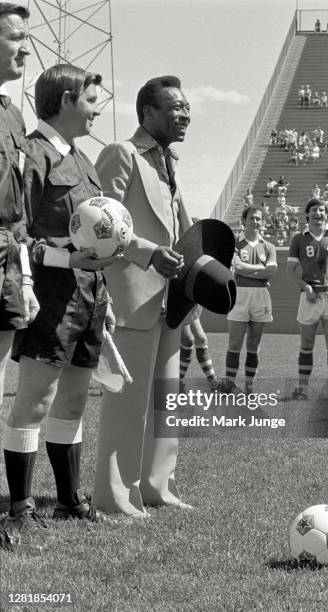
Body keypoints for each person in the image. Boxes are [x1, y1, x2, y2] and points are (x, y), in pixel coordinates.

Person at [2, 64, 117, 536]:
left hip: (90, 296)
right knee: (35, 397)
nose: (96, 110)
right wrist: (66, 261)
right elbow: (16, 236)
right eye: (91, 101)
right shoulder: (31, 155)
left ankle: (70, 500)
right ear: (67, 99)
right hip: (47, 296)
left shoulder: (85, 161)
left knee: (73, 398)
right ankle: (21, 507)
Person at [93, 75, 193, 516]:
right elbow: (99, 222)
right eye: (174, 106)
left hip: (171, 302)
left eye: (187, 106)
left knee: (165, 399)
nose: (185, 113)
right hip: (132, 297)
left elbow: (183, 233)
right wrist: (148, 254)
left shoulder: (170, 163)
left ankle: (157, 487)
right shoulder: (122, 154)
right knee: (128, 405)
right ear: (147, 113)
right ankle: (116, 497)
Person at [0, 3, 39, 404]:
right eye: (16, 38)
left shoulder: (14, 117)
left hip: (8, 253)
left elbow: (18, 211)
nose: (25, 50)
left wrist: (25, 279)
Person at [286, 198, 328, 401]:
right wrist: (305, 287)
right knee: (306, 344)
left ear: (327, 214)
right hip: (310, 297)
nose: (318, 213)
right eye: (314, 210)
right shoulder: (298, 239)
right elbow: (290, 271)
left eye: (322, 210)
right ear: (307, 214)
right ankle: (302, 390)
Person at [223, 205, 277, 394]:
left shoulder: (269, 246)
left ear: (262, 222)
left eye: (258, 219)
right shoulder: (234, 244)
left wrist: (248, 270)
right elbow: (237, 266)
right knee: (235, 344)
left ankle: (249, 386)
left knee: (254, 344)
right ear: (243, 221)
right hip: (240, 295)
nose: (255, 222)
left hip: (261, 297)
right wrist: (262, 273)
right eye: (252, 218)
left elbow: (273, 270)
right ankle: (229, 383)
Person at [179, 307, 219, 391]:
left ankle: (213, 381)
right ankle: (177, 382)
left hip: (192, 306)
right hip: (181, 305)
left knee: (201, 340)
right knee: (188, 340)